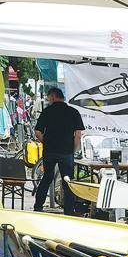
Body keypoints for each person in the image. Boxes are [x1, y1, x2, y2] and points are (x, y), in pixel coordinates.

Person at [33, 87, 84, 215]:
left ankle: (38, 206)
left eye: (49, 98)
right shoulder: (73, 112)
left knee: (47, 178)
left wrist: (47, 142)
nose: (48, 100)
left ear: (53, 97)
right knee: (68, 181)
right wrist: (73, 149)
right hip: (66, 152)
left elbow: (37, 132)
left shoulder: (47, 111)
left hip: (49, 151)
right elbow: (78, 134)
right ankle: (68, 210)